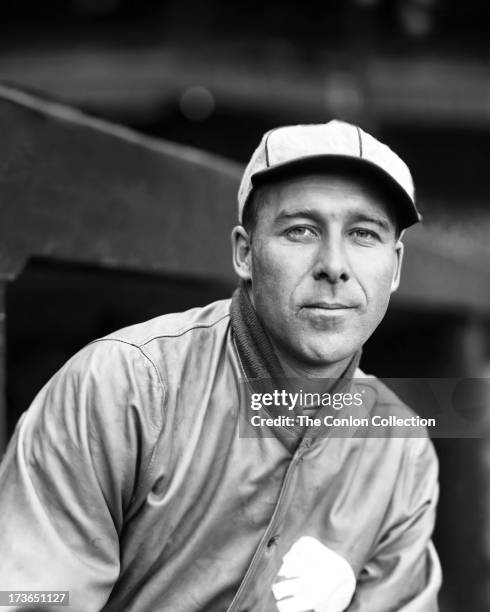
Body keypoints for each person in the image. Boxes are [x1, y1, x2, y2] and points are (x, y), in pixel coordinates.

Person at [0, 120, 441, 611]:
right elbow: (27, 596)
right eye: (301, 230)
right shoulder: (122, 387)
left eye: (363, 234)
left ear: (396, 267)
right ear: (245, 253)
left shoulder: (402, 448)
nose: (333, 264)